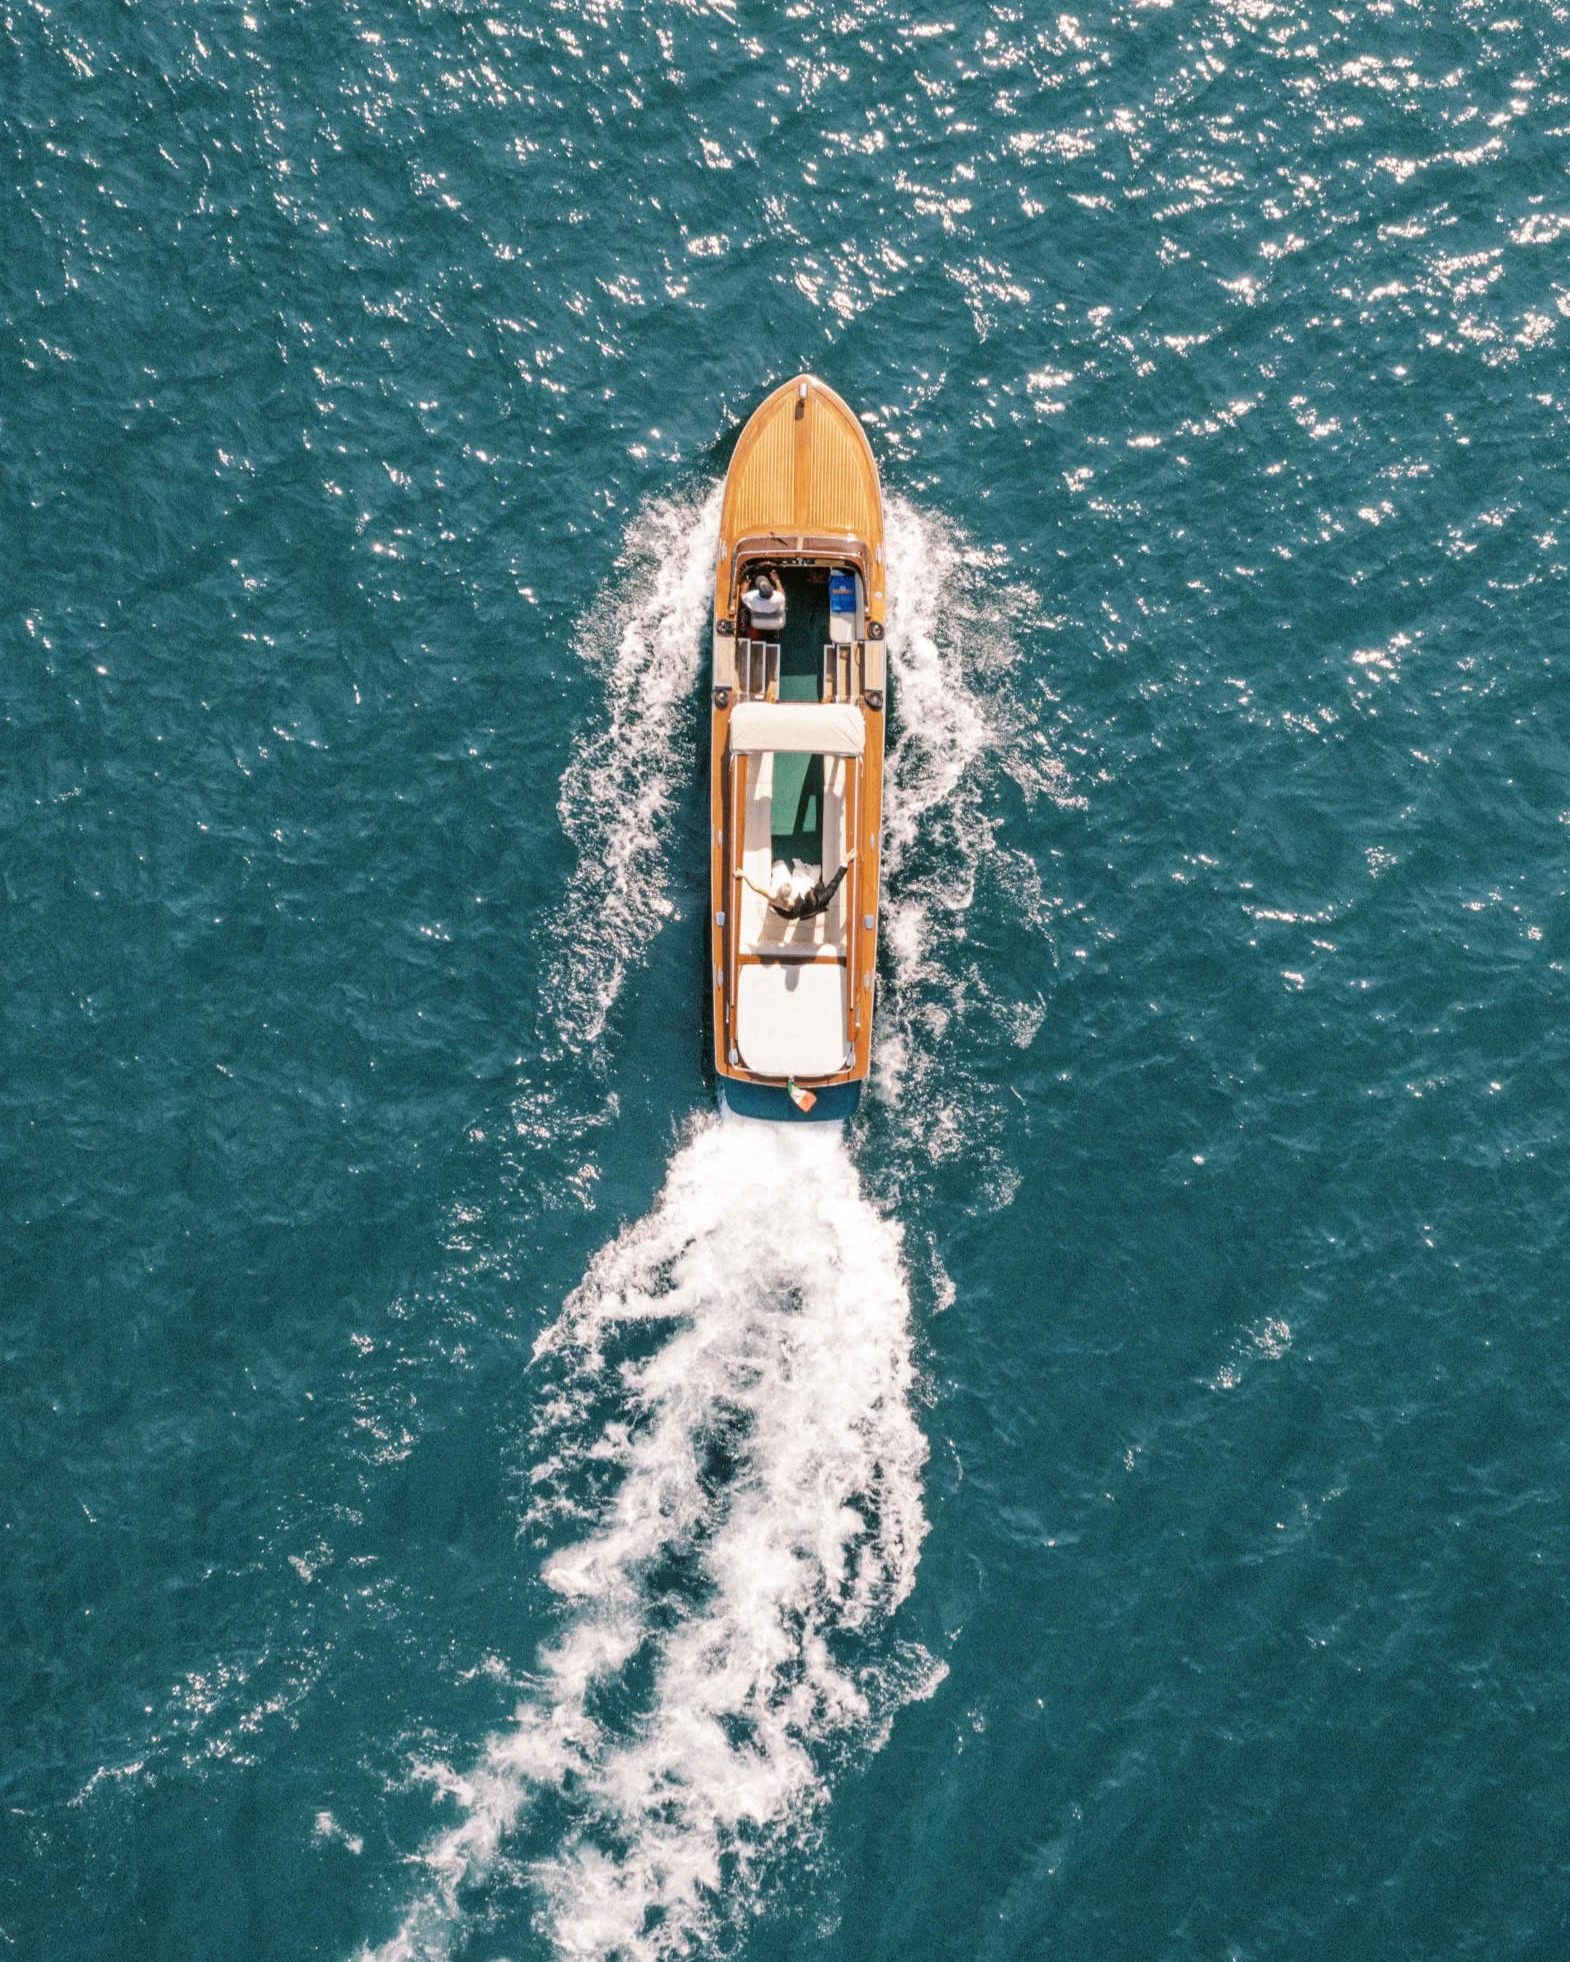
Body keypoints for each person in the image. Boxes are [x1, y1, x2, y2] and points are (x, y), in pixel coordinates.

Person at [742, 567, 786, 638]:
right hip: (772, 613)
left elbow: (742, 594)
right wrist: (777, 580)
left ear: (759, 591)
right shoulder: (778, 597)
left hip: (757, 613)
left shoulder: (751, 597)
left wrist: (746, 582)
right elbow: (782, 594)